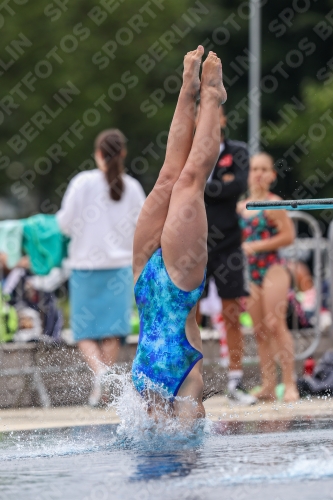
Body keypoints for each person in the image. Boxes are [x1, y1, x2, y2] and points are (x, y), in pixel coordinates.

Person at [131, 46, 227, 420]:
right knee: (187, 182)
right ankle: (211, 94)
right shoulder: (190, 392)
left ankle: (189, 89)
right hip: (177, 285)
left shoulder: (166, 403)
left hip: (143, 284)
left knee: (169, 177)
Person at [57, 129, 146, 406]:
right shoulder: (132, 187)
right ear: (123, 154)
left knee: (84, 331)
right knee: (112, 331)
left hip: (84, 267)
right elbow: (142, 227)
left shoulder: (81, 183)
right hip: (119, 268)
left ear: (98, 154)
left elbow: (64, 223)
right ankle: (105, 387)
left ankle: (100, 376)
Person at [198, 104, 255, 404]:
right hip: (197, 243)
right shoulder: (193, 152)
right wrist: (223, 185)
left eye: (214, 113)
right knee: (190, 313)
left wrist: (209, 186)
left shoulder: (238, 150)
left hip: (229, 243)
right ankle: (191, 379)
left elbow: (241, 185)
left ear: (223, 118)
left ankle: (235, 381)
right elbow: (186, 186)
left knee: (232, 312)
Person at [238, 152, 299, 402]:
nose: (259, 174)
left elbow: (288, 236)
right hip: (250, 273)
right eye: (254, 169)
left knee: (276, 324)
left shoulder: (275, 204)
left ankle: (290, 383)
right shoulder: (241, 207)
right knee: (260, 330)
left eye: (264, 169)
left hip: (273, 267)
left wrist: (256, 247)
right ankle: (268, 384)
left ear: (272, 175)